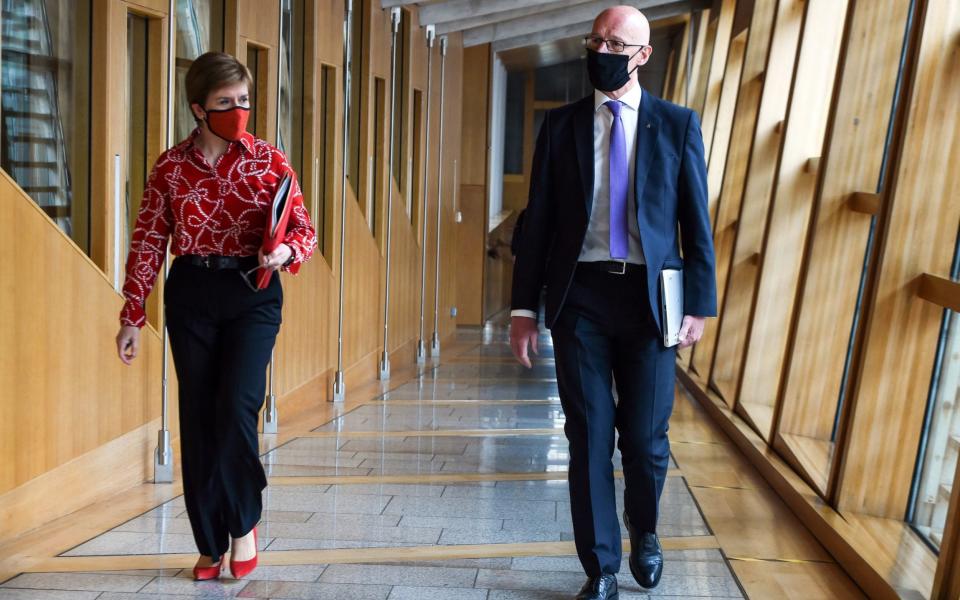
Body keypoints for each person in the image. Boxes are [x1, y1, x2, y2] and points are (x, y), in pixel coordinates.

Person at [509, 7, 717, 600]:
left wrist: (698, 304)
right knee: (590, 434)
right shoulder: (561, 126)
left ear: (642, 55)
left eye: (616, 42)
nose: (603, 49)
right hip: (582, 296)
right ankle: (600, 567)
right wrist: (524, 310)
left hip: (654, 299)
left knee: (647, 438)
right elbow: (540, 222)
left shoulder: (676, 125)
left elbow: (694, 222)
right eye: (596, 40)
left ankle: (645, 532)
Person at [114, 52, 316, 581]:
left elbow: (304, 231)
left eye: (244, 101)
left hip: (253, 292)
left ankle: (243, 524)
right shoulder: (170, 166)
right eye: (226, 103)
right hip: (193, 292)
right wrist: (132, 314)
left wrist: (283, 253)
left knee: (236, 408)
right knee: (199, 419)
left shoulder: (270, 159)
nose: (239, 112)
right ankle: (209, 540)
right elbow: (149, 240)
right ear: (198, 108)